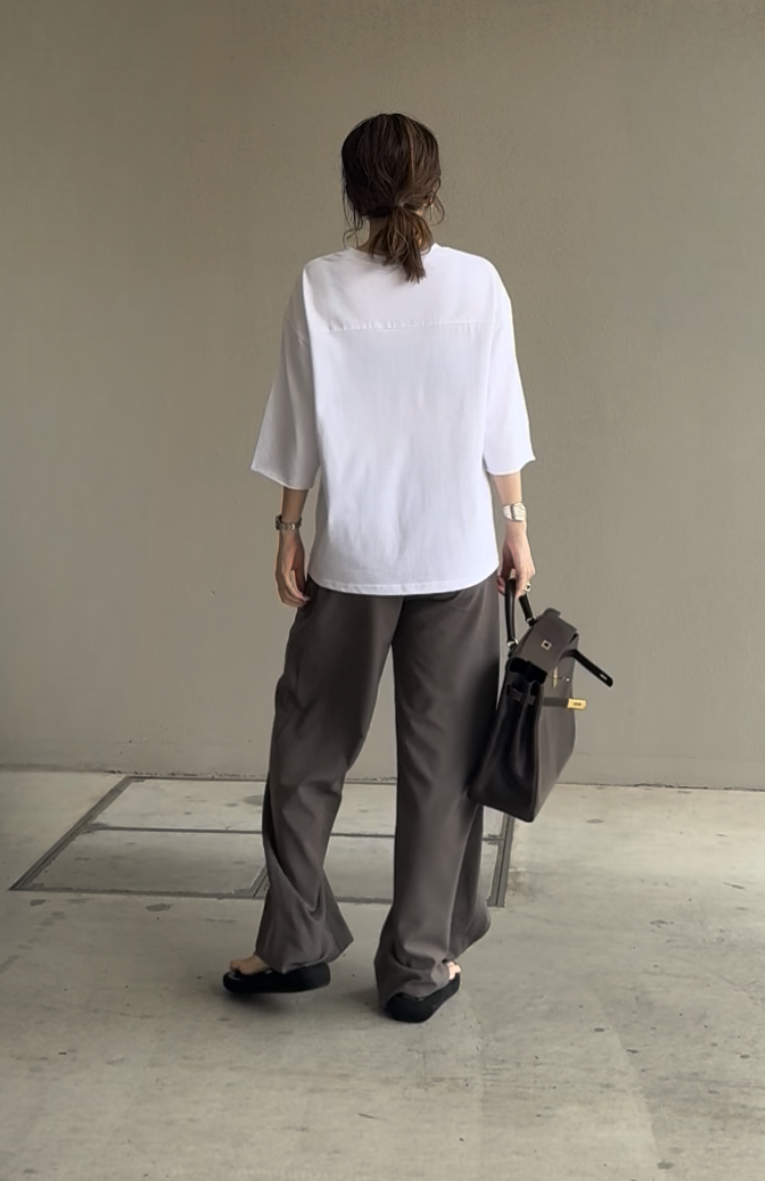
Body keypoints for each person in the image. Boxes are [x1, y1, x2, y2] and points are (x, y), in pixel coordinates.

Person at [223, 112, 535, 1023]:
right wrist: (515, 524)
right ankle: (420, 963)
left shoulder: (321, 284)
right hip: (456, 555)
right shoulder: (478, 282)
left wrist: (288, 526)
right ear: (432, 187)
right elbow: (501, 420)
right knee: (445, 766)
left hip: (353, 556)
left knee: (308, 748)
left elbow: (298, 422)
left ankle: (292, 944)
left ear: (352, 190)